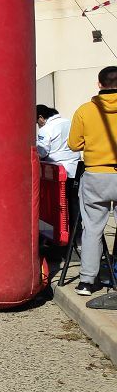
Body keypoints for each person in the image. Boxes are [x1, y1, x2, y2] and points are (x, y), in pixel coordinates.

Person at [68, 66, 117, 295]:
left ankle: (87, 281)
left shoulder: (85, 110)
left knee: (93, 229)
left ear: (99, 84)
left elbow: (74, 145)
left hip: (96, 175)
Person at [37, 104, 81, 240]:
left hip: (57, 174)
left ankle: (60, 239)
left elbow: (42, 152)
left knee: (58, 209)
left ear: (41, 118)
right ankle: (77, 238)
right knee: (74, 206)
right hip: (76, 169)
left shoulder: (46, 129)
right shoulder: (69, 122)